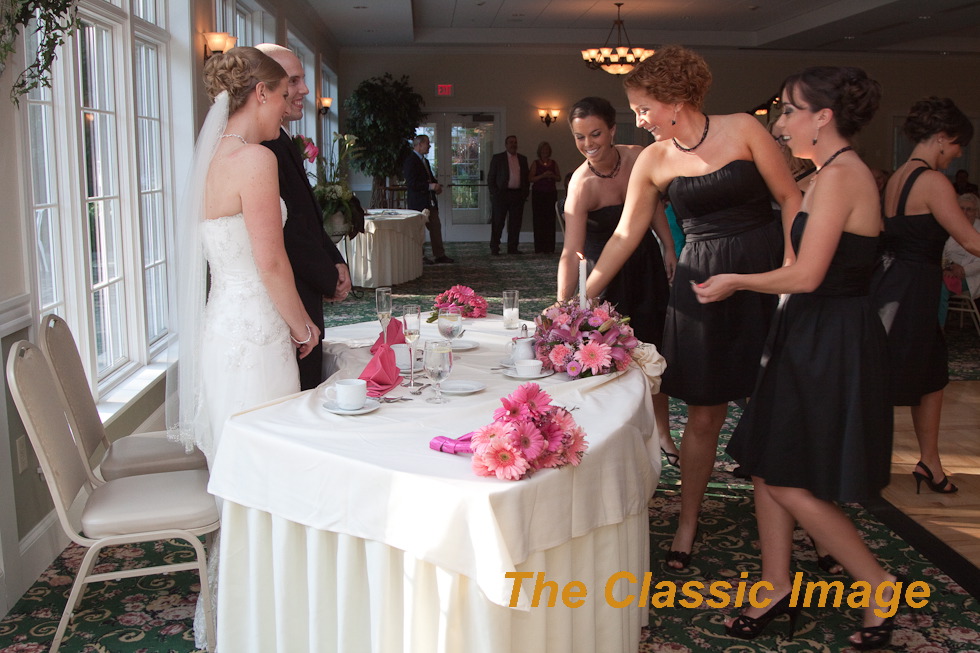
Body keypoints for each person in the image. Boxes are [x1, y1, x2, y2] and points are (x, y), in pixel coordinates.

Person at [693, 65, 901, 652]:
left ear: (823, 116)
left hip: (830, 338)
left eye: (788, 110)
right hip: (809, 330)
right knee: (767, 463)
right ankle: (775, 584)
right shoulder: (827, 173)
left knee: (787, 476)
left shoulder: (841, 176)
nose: (780, 123)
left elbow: (807, 275)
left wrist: (735, 280)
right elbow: (801, 264)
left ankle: (879, 585)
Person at [584, 45, 801, 570]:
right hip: (700, 285)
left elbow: (791, 198)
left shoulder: (744, 128)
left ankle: (807, 523)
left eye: (643, 108)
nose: (638, 119)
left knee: (777, 404)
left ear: (676, 99)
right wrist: (583, 292)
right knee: (704, 413)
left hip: (763, 275)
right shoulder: (653, 159)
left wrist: (793, 268)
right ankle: (687, 520)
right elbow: (625, 234)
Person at [167, 47, 321, 647]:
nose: (287, 107)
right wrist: (303, 328)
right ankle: (262, 621)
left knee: (239, 475)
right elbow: (271, 263)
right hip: (256, 336)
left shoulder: (210, 157)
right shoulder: (255, 160)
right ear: (260, 93)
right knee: (264, 475)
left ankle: (238, 613)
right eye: (283, 95)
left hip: (221, 329)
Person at [870, 97, 980, 494]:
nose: (959, 153)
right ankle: (861, 465)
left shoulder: (897, 177)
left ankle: (929, 462)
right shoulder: (933, 181)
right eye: (957, 144)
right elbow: (970, 240)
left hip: (896, 281)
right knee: (889, 376)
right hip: (912, 287)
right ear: (942, 137)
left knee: (932, 376)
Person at [560, 96, 677, 465]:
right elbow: (570, 251)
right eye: (579, 137)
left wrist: (668, 247)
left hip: (645, 266)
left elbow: (652, 206)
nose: (588, 144)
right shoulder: (581, 184)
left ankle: (663, 432)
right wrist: (563, 304)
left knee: (655, 350)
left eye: (595, 134)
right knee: (610, 358)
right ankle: (612, 441)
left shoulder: (637, 157)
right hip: (605, 276)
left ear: (612, 130)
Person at [256, 43, 351, 391]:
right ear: (264, 88)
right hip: (284, 301)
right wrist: (327, 277)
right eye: (293, 81)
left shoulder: (279, 137)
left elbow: (305, 213)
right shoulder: (260, 148)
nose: (305, 90)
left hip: (302, 289)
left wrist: (335, 260)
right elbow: (289, 231)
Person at [403, 133, 454, 264]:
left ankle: (439, 254)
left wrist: (436, 186)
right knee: (419, 231)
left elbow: (430, 178)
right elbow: (411, 183)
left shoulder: (424, 161)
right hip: (418, 203)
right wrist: (429, 186)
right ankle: (419, 256)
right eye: (427, 143)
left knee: (436, 227)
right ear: (420, 144)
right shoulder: (410, 160)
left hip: (429, 201)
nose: (429, 146)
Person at [487, 135, 530, 254]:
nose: (513, 144)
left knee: (515, 223)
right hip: (501, 194)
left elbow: (526, 178)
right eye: (511, 142)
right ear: (506, 145)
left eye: (515, 142)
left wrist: (524, 194)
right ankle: (495, 247)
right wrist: (495, 193)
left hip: (517, 195)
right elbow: (491, 178)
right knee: (498, 222)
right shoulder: (498, 158)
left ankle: (513, 247)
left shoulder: (522, 159)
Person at [529, 141, 561, 253]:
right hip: (538, 195)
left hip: (551, 194)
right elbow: (530, 178)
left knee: (550, 220)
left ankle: (550, 247)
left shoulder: (553, 163)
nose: (545, 151)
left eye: (547, 149)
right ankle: (539, 247)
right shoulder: (535, 163)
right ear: (540, 151)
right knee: (539, 220)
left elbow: (559, 178)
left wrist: (552, 175)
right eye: (543, 149)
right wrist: (542, 176)